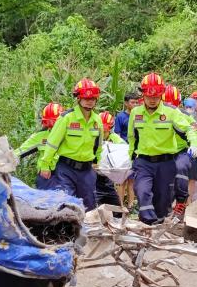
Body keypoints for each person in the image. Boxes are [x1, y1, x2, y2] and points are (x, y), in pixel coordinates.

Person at [129, 73, 197, 225]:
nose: (153, 100)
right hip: (146, 160)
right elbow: (132, 137)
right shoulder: (136, 113)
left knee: (174, 177)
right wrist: (132, 158)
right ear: (143, 95)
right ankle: (148, 219)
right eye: (149, 96)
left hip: (178, 154)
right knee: (143, 190)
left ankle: (179, 201)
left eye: (157, 97)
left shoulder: (177, 114)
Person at [39, 78, 103, 211]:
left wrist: (97, 161)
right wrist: (45, 165)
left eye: (92, 98)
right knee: (67, 204)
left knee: (89, 207)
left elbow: (98, 145)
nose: (89, 101)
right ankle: (65, 231)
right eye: (86, 98)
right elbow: (52, 143)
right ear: (78, 98)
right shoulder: (67, 118)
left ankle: (86, 232)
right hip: (66, 169)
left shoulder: (97, 120)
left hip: (87, 171)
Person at [162, 84, 197, 216]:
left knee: (180, 176)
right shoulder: (152, 115)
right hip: (159, 155)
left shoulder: (186, 118)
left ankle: (180, 204)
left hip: (179, 154)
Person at [15, 102, 64, 190]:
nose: (52, 128)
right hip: (46, 176)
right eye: (49, 124)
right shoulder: (40, 136)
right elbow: (21, 151)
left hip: (65, 174)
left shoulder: (70, 135)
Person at [95, 111, 124, 207]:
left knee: (115, 205)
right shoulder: (92, 136)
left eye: (105, 131)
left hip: (108, 177)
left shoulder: (115, 139)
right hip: (93, 175)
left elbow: (124, 151)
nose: (102, 134)